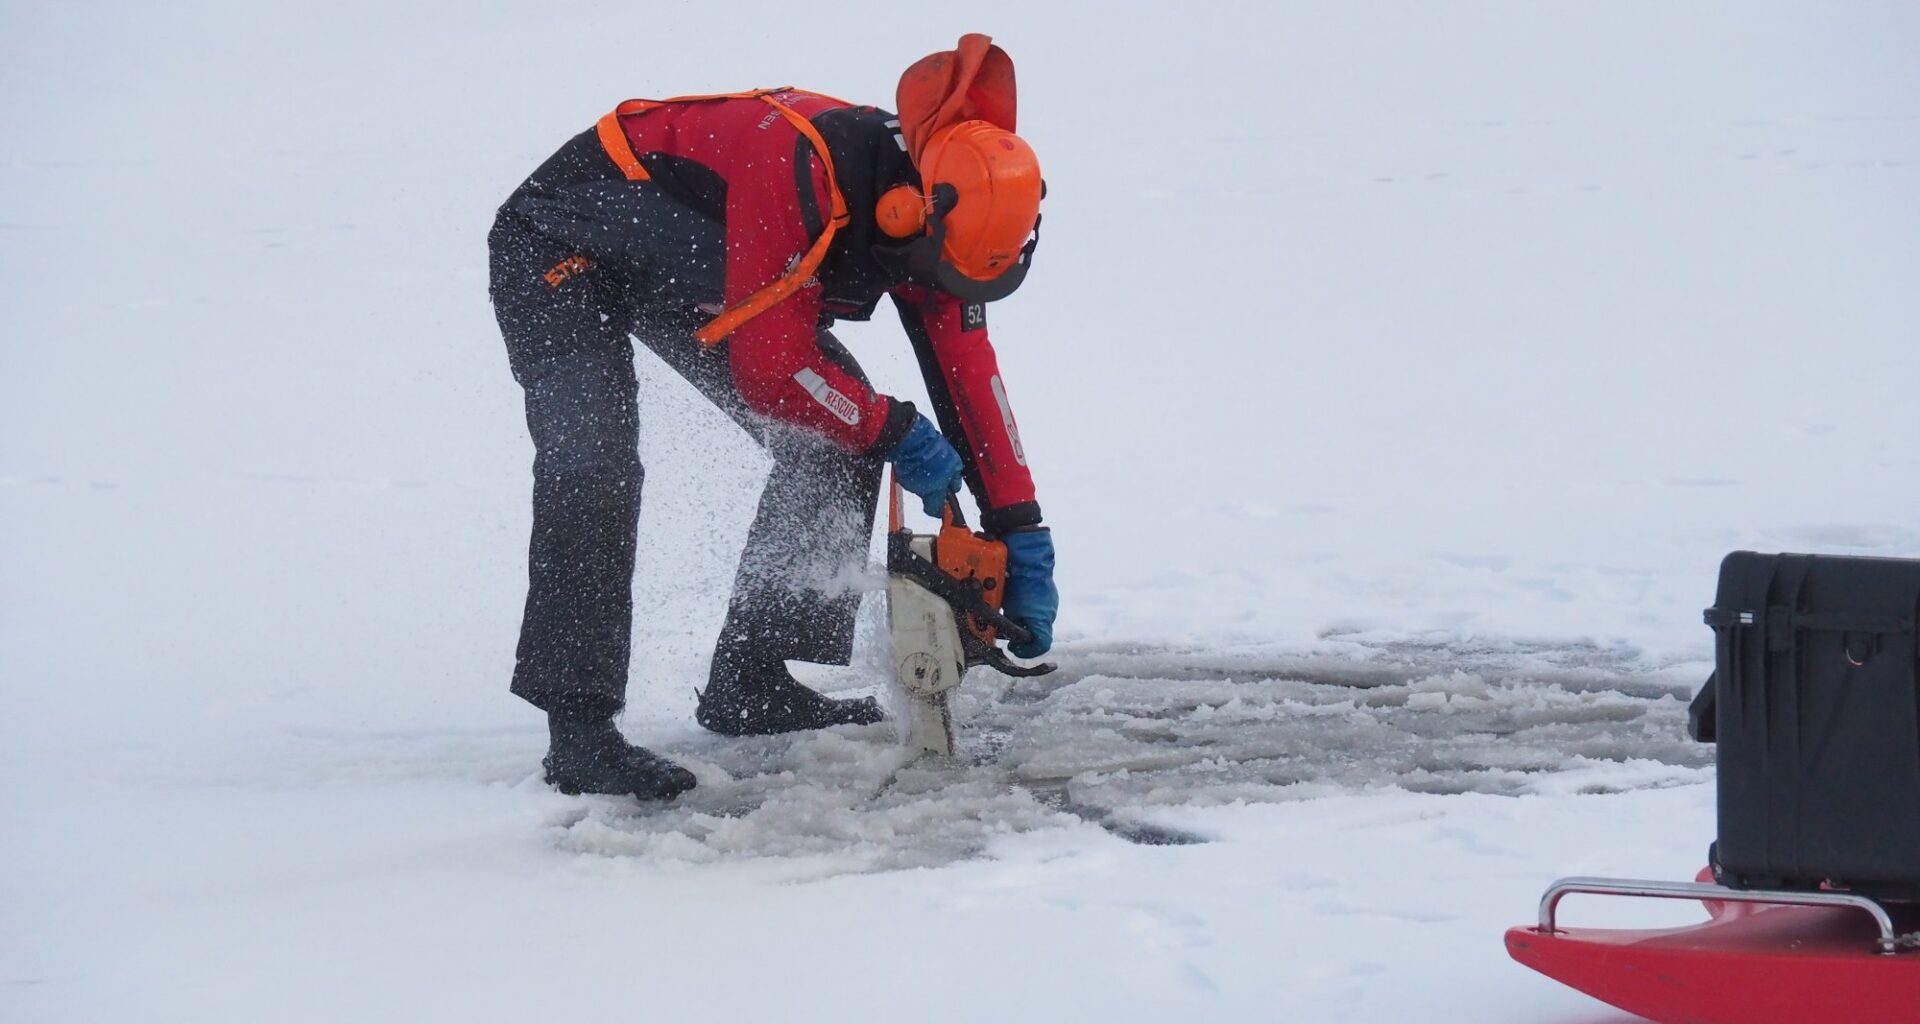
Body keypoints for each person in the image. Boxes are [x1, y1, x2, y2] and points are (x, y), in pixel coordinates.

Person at [488, 35, 1058, 800]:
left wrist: (1021, 529)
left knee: (841, 423)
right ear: (906, 211)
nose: (943, 288)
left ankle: (751, 680)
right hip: (561, 247)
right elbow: (772, 372)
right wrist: (897, 431)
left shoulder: (947, 211)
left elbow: (970, 380)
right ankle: (579, 730)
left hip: (692, 266)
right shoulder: (801, 170)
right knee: (594, 458)